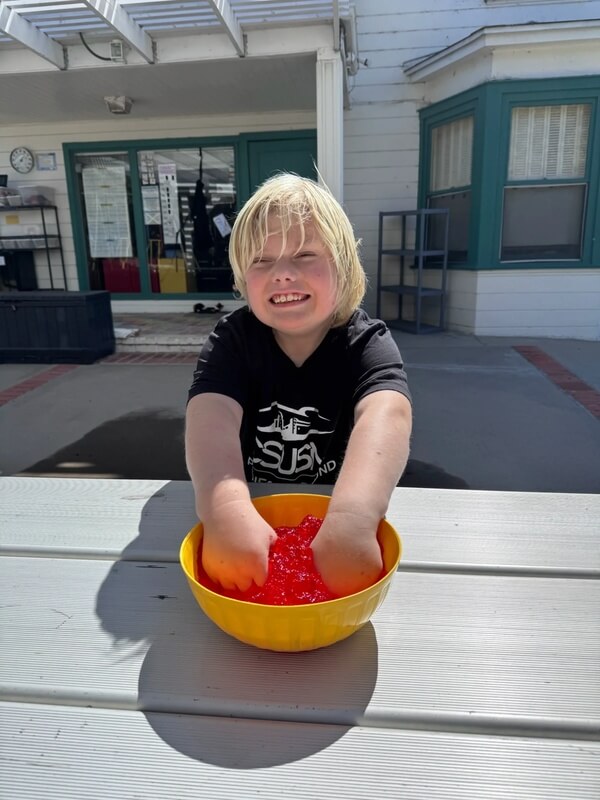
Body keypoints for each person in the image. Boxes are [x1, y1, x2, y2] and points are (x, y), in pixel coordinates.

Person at [185, 173, 412, 598]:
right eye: (261, 261)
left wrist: (354, 517)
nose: (283, 274)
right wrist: (225, 508)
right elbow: (209, 414)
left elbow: (388, 413)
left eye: (305, 254)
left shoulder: (366, 342)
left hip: (336, 507)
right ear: (241, 278)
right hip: (252, 504)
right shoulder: (233, 340)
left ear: (343, 266)